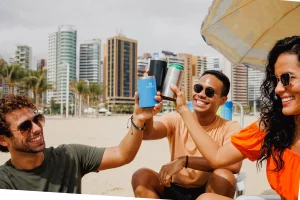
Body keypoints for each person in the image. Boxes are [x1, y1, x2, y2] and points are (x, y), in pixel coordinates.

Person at [170, 36, 300, 200]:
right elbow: (218, 157)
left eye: (287, 78)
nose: (278, 89)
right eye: (276, 80)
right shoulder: (272, 125)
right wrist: (182, 109)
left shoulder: (231, 125)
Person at [0, 93, 162, 193]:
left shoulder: (68, 156)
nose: (36, 129)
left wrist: (139, 119)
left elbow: (122, 154)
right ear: (3, 139)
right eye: (25, 126)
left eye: (37, 120)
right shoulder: (5, 182)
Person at [132, 70, 243, 200]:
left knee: (224, 176)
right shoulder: (176, 119)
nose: (201, 94)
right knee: (141, 176)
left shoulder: (229, 127)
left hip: (208, 189)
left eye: (209, 92)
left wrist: (185, 161)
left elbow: (234, 165)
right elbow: (147, 134)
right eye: (198, 88)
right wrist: (148, 108)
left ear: (223, 100)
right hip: (173, 186)